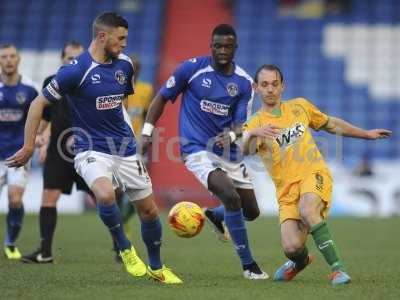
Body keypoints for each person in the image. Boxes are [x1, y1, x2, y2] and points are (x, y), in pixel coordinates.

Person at [6, 12, 182, 284]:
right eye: (120, 38)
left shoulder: (124, 65)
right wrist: (30, 146)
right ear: (103, 36)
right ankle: (125, 248)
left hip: (123, 148)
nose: (125, 44)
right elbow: (37, 104)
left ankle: (157, 267)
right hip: (91, 149)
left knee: (148, 211)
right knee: (105, 193)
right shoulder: (75, 70)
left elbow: (121, 105)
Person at [141, 24, 272, 280]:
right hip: (196, 148)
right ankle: (249, 266)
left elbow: (240, 122)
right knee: (231, 197)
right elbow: (161, 98)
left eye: (228, 46)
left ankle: (215, 215)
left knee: (251, 211)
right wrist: (147, 132)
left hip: (228, 150)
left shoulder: (244, 83)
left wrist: (233, 135)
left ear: (236, 48)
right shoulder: (191, 69)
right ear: (211, 46)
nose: (223, 51)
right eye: (218, 46)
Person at [243, 64, 391, 285]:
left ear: (283, 86)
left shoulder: (300, 107)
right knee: (292, 247)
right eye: (264, 85)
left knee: (308, 209)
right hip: (286, 191)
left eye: (275, 84)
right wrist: (252, 134)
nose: (270, 89)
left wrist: (366, 134)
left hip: (314, 174)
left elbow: (331, 124)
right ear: (256, 88)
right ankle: (299, 262)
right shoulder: (254, 123)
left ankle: (338, 269)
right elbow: (244, 150)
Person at [21, 41, 91, 263]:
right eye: (69, 57)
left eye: (77, 58)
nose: (73, 61)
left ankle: (122, 248)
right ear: (62, 59)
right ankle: (45, 252)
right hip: (57, 150)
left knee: (104, 197)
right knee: (48, 198)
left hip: (87, 148)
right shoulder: (51, 83)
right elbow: (47, 115)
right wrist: (41, 139)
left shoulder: (90, 82)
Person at [0, 44, 39, 259]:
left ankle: (10, 243)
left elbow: (40, 116)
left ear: (19, 59)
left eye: (12, 56)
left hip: (18, 155)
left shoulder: (30, 89)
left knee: (14, 199)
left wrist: (38, 137)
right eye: (4, 56)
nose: (8, 60)